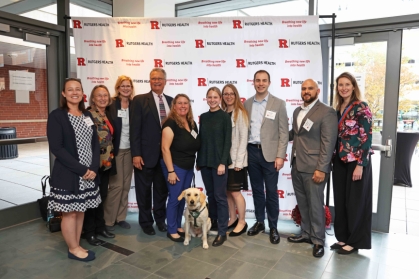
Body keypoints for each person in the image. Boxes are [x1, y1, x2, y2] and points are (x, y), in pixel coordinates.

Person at [47, 78, 100, 262]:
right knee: (70, 212)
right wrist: (81, 169)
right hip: (69, 173)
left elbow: (94, 143)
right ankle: (73, 248)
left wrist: (93, 167)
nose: (74, 92)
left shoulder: (87, 115)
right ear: (63, 93)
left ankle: (76, 244)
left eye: (78, 89)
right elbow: (57, 148)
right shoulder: (57, 116)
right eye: (70, 89)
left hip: (88, 174)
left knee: (81, 209)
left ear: (82, 92)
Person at [287, 79, 338, 258]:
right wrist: (275, 135)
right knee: (303, 203)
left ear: (317, 90)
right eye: (303, 89)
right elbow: (294, 134)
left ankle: (318, 240)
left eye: (310, 88)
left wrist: (322, 168)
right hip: (297, 165)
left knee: (316, 204)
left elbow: (328, 143)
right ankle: (306, 233)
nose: (306, 91)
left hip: (314, 168)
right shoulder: (297, 111)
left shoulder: (327, 112)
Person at [244, 70, 288, 244]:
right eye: (257, 80)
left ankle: (274, 226)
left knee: (271, 192)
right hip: (252, 152)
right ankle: (260, 222)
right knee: (256, 191)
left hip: (270, 155)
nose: (260, 83)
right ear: (253, 82)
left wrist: (280, 156)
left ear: (269, 82)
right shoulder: (247, 104)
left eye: (264, 80)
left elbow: (284, 133)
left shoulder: (279, 104)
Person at [331, 72, 373, 255]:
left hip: (356, 162)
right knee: (340, 201)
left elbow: (367, 137)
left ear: (354, 86)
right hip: (339, 161)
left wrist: (360, 164)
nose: (344, 88)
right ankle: (343, 237)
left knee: (355, 202)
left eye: (347, 84)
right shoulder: (338, 108)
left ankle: (355, 241)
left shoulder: (361, 107)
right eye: (340, 85)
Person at [130, 68, 172, 235]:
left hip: (165, 157)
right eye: (153, 78)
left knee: (161, 191)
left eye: (160, 78)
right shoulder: (140, 100)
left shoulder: (171, 101)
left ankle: (160, 220)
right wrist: (136, 154)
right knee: (144, 191)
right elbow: (135, 129)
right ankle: (146, 222)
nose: (156, 81)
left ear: (165, 81)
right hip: (145, 156)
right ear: (149, 81)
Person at [161, 94, 200, 242]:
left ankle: (177, 225)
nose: (183, 106)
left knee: (182, 199)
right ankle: (171, 230)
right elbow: (165, 149)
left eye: (186, 103)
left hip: (188, 167)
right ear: (174, 106)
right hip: (175, 167)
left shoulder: (191, 123)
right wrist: (171, 171)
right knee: (174, 199)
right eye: (179, 103)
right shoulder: (170, 124)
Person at [196, 87, 232, 247]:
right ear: (206, 98)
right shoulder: (203, 117)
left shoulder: (225, 117)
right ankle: (215, 223)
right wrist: (199, 161)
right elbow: (201, 140)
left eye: (215, 97)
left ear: (220, 99)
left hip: (219, 164)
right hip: (205, 162)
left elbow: (227, 141)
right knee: (210, 195)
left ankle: (222, 232)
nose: (212, 99)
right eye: (209, 97)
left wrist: (223, 162)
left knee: (220, 196)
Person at [82, 85, 116, 245]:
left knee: (101, 197)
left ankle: (100, 227)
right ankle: (89, 232)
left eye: (105, 95)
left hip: (106, 163)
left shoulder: (107, 114)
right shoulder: (88, 114)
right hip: (93, 165)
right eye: (99, 96)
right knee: (92, 198)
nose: (102, 98)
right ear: (93, 99)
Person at [104, 76, 134, 230]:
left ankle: (121, 217)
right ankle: (108, 219)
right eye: (123, 86)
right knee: (116, 185)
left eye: (128, 86)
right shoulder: (111, 104)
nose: (125, 88)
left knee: (126, 186)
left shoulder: (134, 104)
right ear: (117, 87)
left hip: (130, 151)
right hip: (115, 151)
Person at [221, 84, 249, 236]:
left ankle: (242, 221)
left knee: (236, 192)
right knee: (227, 192)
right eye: (226, 94)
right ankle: (232, 218)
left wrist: (238, 162)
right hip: (225, 161)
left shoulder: (240, 112)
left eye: (231, 93)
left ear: (236, 95)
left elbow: (243, 139)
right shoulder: (224, 112)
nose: (229, 96)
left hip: (236, 162)